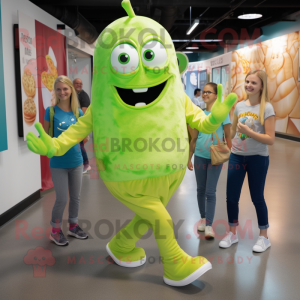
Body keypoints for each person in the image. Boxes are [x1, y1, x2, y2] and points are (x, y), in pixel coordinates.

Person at [219, 69, 275, 252]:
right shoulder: (240, 106)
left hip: (258, 158)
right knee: (231, 197)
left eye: (254, 83)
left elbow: (270, 139)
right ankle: (232, 233)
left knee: (257, 197)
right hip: (236, 155)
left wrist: (250, 132)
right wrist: (224, 141)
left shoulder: (266, 108)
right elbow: (234, 131)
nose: (249, 85)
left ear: (261, 86)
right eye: (247, 81)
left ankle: (264, 236)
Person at [44, 75, 88, 246]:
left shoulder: (79, 112)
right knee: (62, 198)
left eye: (65, 89)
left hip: (76, 160)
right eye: (58, 89)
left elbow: (82, 135)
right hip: (58, 163)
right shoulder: (51, 111)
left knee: (75, 197)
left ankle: (73, 226)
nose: (62, 92)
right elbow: (47, 137)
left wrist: (85, 138)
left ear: (71, 90)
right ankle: (55, 231)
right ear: (55, 92)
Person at [188, 83, 232, 240]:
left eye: (209, 92)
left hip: (215, 156)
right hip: (200, 155)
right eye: (204, 92)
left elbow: (228, 135)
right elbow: (194, 138)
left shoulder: (222, 114)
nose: (205, 94)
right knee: (200, 189)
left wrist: (229, 153)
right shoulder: (199, 114)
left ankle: (209, 225)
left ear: (215, 95)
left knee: (210, 191)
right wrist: (189, 156)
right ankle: (202, 218)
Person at [73, 78, 91, 173]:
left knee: (80, 145)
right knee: (78, 145)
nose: (79, 85)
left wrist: (81, 127)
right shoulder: (72, 95)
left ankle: (86, 164)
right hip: (74, 124)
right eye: (77, 83)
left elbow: (83, 114)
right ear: (73, 84)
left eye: (81, 83)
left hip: (81, 125)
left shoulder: (84, 96)